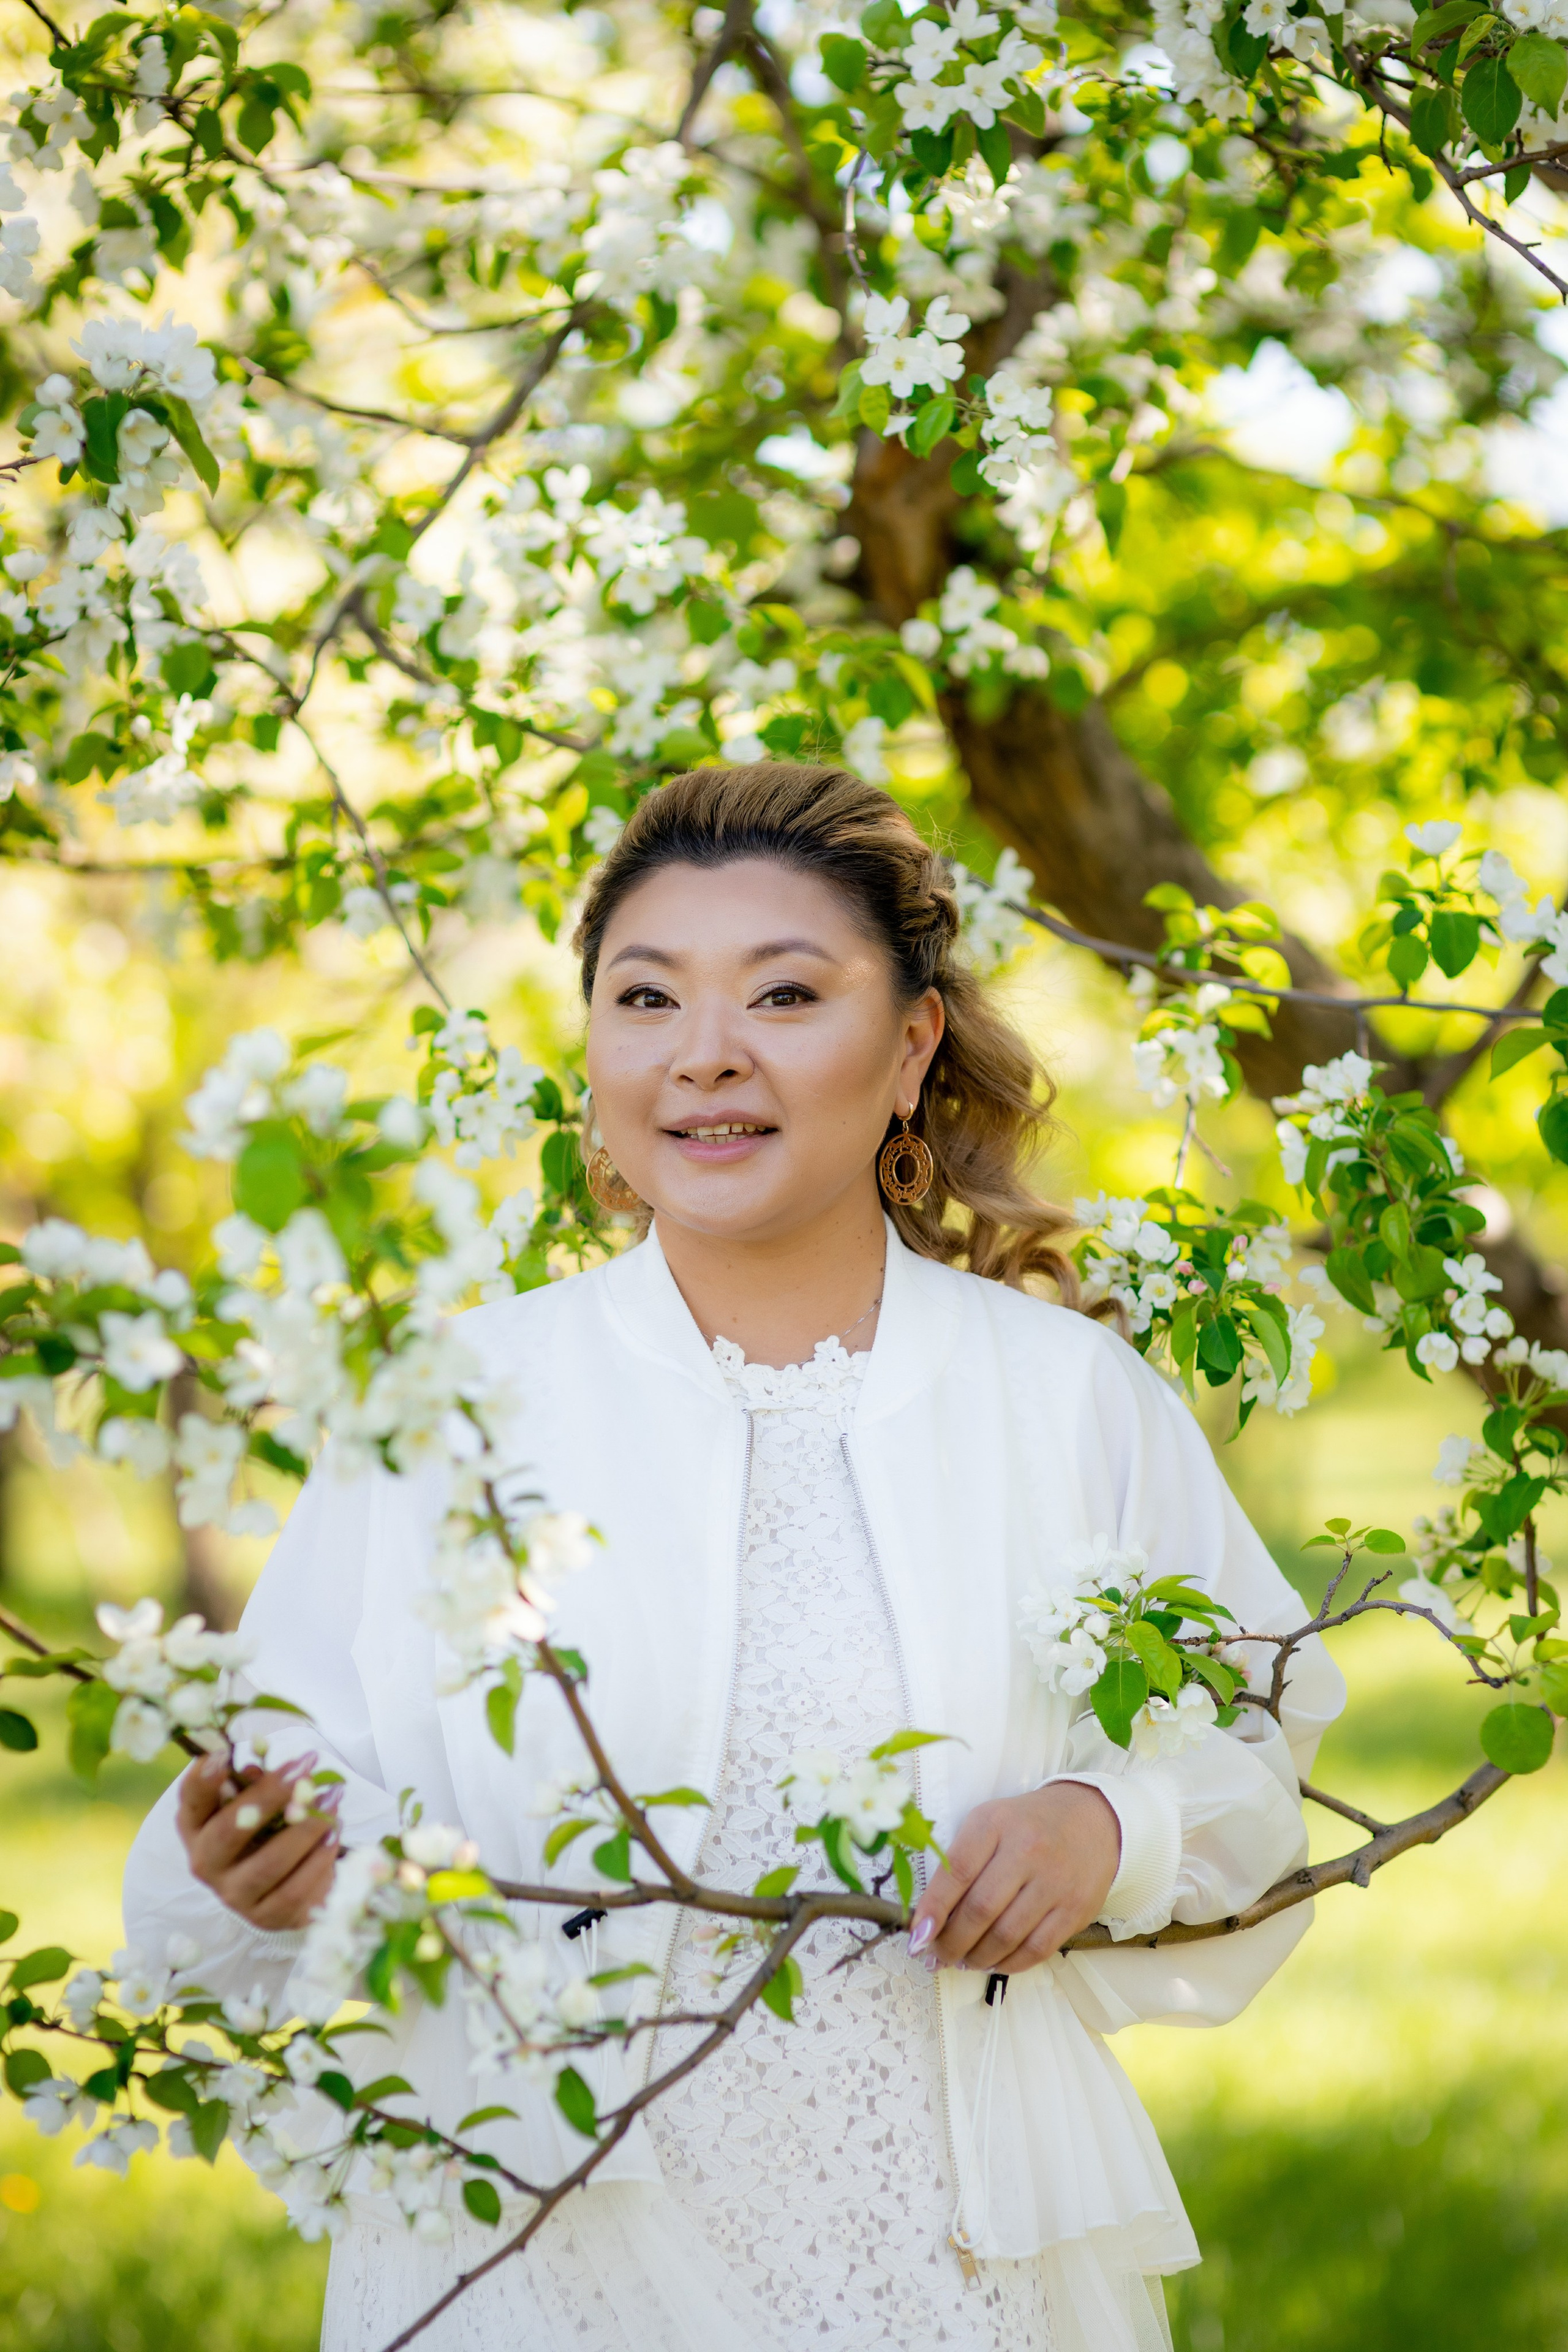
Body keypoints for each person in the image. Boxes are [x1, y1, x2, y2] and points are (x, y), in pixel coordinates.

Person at [124, 763, 1344, 2352]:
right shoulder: (448, 1413)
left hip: (948, 2262)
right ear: (591, 1051)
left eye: (783, 993)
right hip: (549, 2251)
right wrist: (254, 1864)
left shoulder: (1066, 1402)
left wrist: (1106, 1823)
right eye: (646, 998)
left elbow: (1256, 1744)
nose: (706, 1056)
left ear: (910, 1046)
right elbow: (258, 1801)